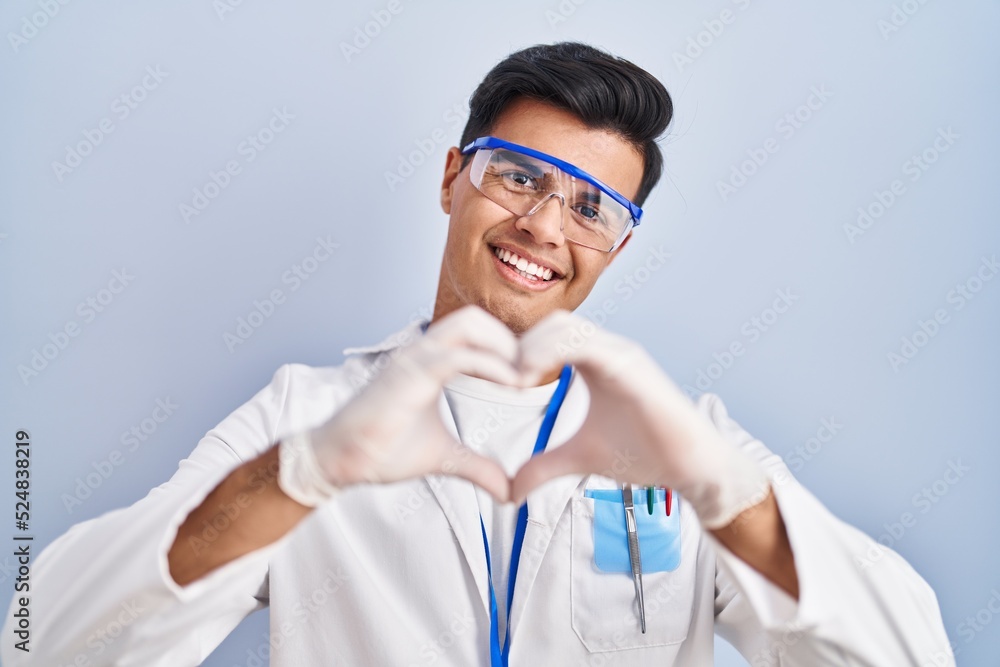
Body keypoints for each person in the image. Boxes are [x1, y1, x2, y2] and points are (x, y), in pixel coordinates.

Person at [4, 42, 953, 667]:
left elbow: (908, 655)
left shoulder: (683, 444)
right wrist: (302, 474)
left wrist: (726, 492)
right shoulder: (307, 415)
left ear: (619, 245)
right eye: (519, 178)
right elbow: (38, 639)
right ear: (455, 177)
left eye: (591, 208)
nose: (544, 226)